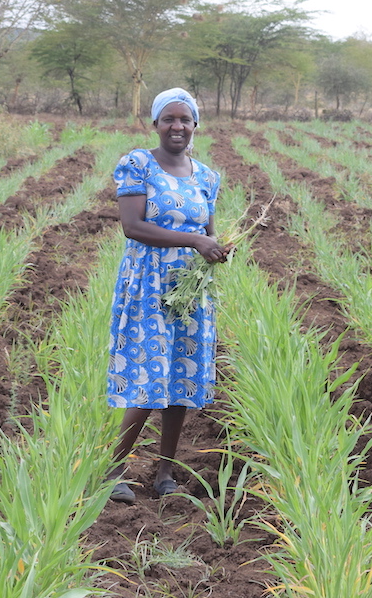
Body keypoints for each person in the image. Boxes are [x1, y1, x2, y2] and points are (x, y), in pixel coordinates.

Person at [106, 87, 228, 505]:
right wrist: (195, 241)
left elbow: (208, 231)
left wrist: (215, 248)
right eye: (169, 119)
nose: (178, 126)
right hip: (147, 283)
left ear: (196, 125)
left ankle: (165, 473)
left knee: (180, 376)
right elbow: (133, 226)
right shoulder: (138, 164)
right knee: (148, 374)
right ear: (155, 124)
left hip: (189, 289)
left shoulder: (207, 176)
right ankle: (114, 469)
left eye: (185, 119)